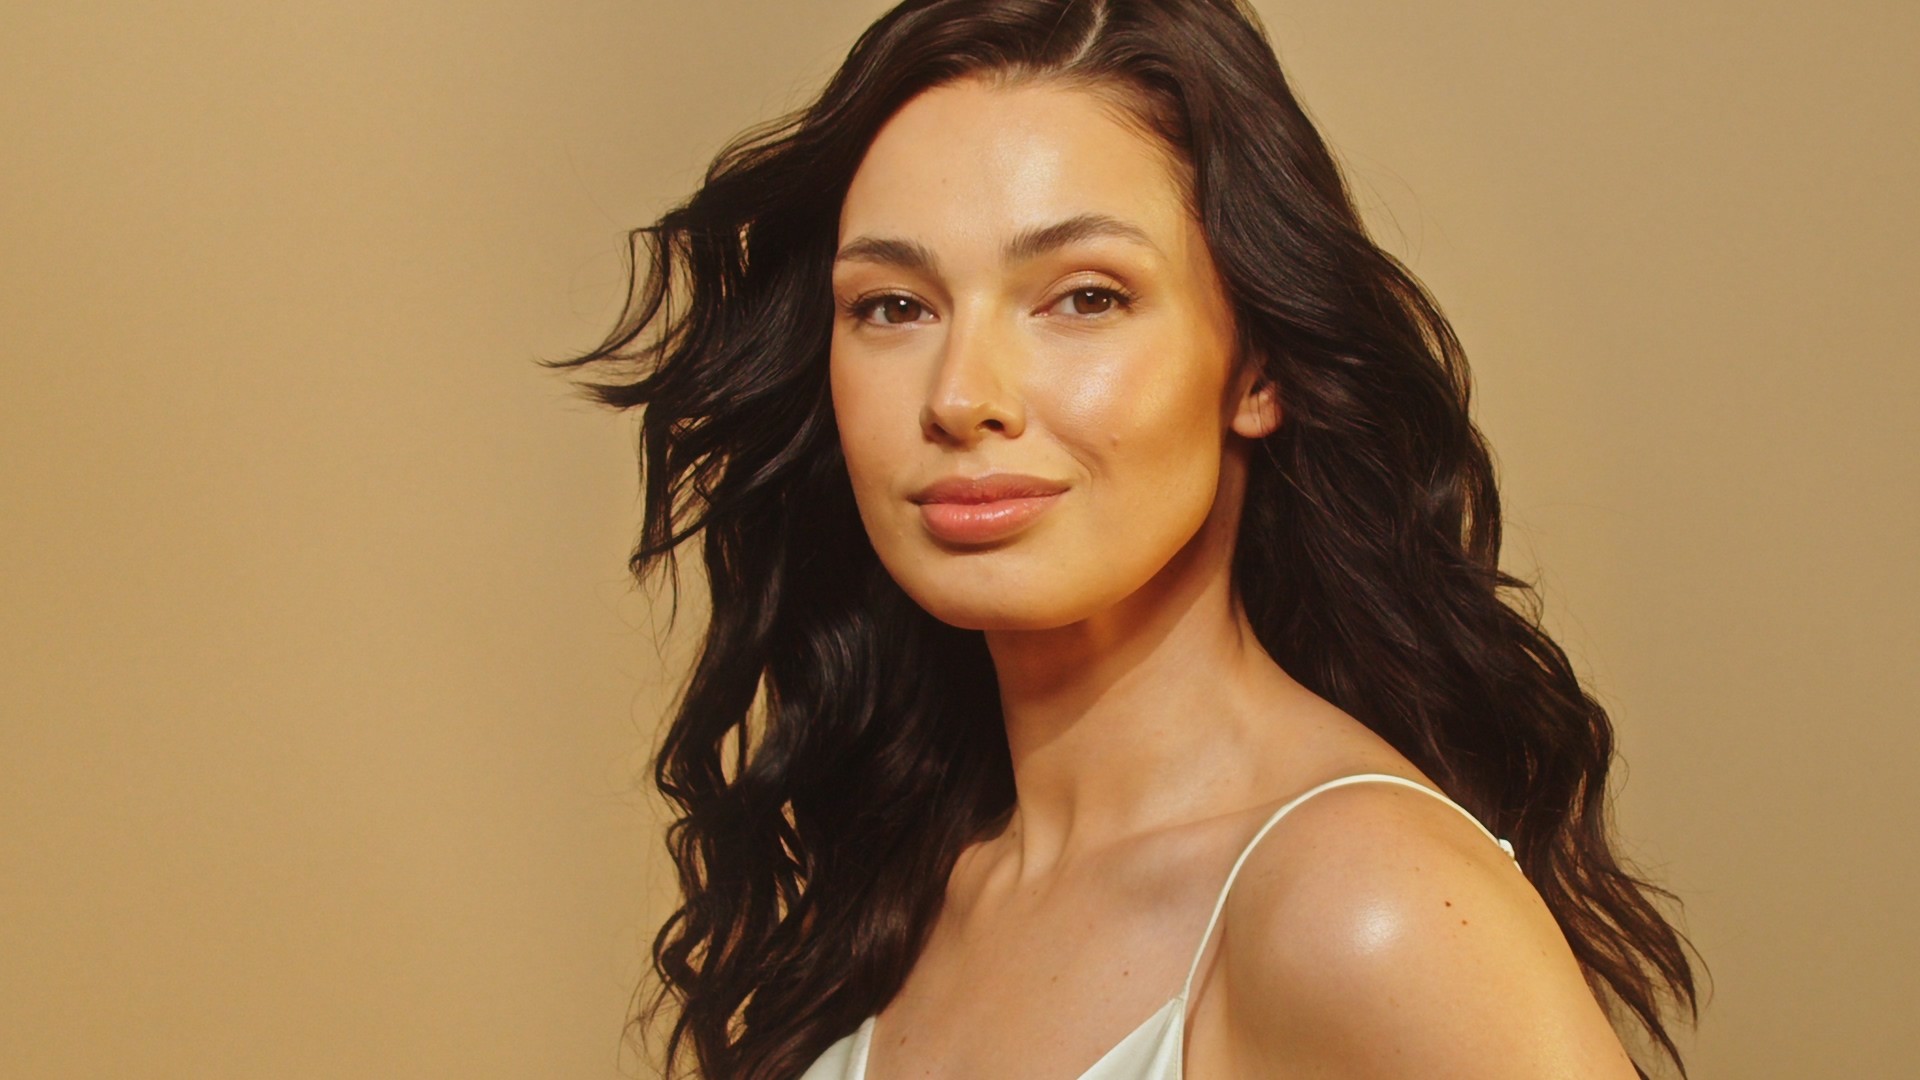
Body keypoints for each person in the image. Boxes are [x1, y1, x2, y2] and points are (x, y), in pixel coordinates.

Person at [553, 1, 1699, 1077]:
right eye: (893, 306)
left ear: (1257, 367)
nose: (961, 396)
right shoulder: (913, 885)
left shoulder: (1365, 907)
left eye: (1085, 297)